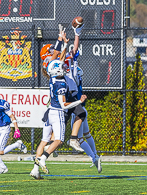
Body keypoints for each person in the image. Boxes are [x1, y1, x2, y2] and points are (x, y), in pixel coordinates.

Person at [30, 44, 87, 178]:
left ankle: (35, 170)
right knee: (59, 140)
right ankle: (43, 158)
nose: (63, 67)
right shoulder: (61, 83)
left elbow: (59, 61)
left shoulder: (52, 78)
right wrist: (79, 101)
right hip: (57, 112)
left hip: (50, 111)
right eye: (61, 68)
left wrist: (65, 45)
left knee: (44, 141)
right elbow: (64, 105)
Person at [41, 23, 86, 152]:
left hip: (67, 92)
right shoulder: (50, 63)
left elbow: (73, 51)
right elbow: (56, 53)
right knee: (63, 124)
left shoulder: (60, 59)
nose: (53, 51)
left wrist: (76, 34)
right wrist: (60, 39)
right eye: (49, 51)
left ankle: (54, 146)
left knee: (75, 116)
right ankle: (53, 147)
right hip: (62, 93)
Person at [69, 51, 102, 173]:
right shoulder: (78, 80)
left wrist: (75, 61)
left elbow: (73, 73)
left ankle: (94, 158)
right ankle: (95, 155)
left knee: (79, 139)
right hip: (83, 109)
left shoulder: (74, 80)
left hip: (77, 110)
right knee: (87, 134)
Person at [0, 88, 27, 174]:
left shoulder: (2, 104)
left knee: (0, 152)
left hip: (4, 129)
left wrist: (16, 129)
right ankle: (2, 167)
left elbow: (12, 116)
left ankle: (17, 144)